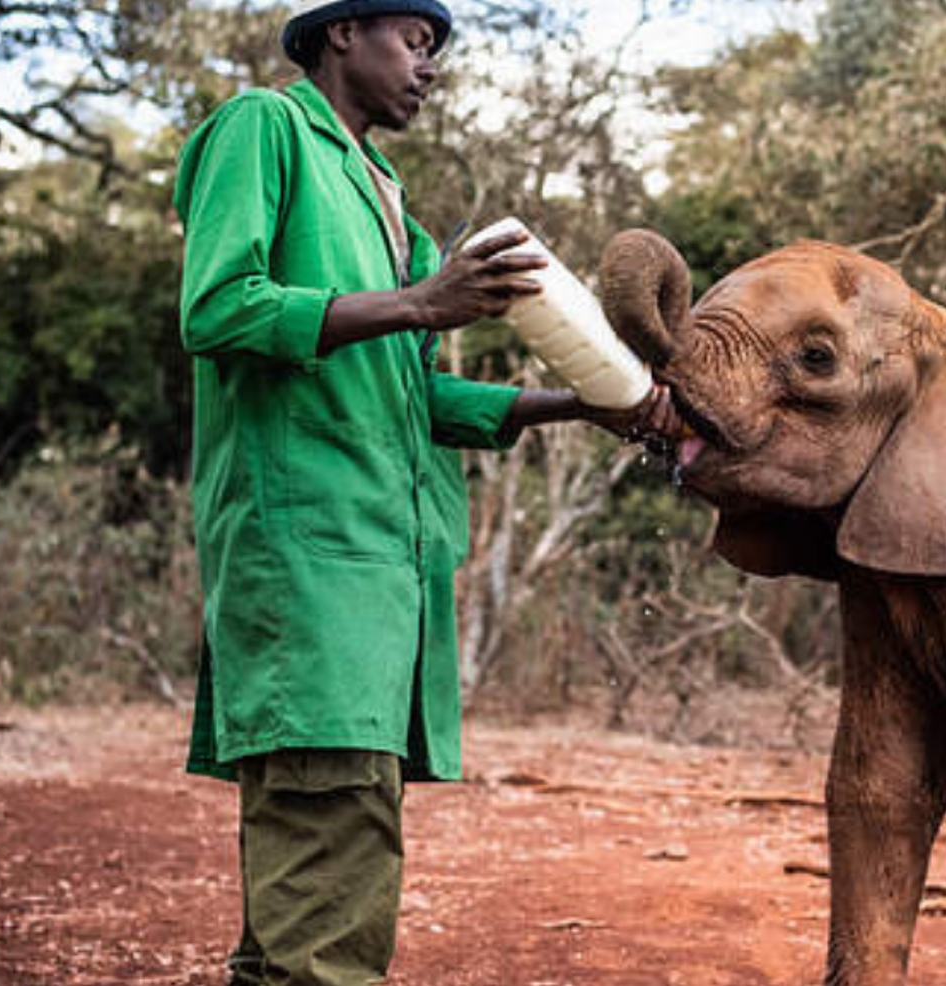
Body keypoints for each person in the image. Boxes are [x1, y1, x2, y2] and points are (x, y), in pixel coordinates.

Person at [171, 2, 674, 982]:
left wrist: (584, 401)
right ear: (341, 33)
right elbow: (219, 305)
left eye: (436, 49)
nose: (428, 65)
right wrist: (421, 302)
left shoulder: (387, 197)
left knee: (337, 838)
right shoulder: (264, 129)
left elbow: (411, 392)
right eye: (413, 38)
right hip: (306, 549)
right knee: (329, 828)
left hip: (380, 564)